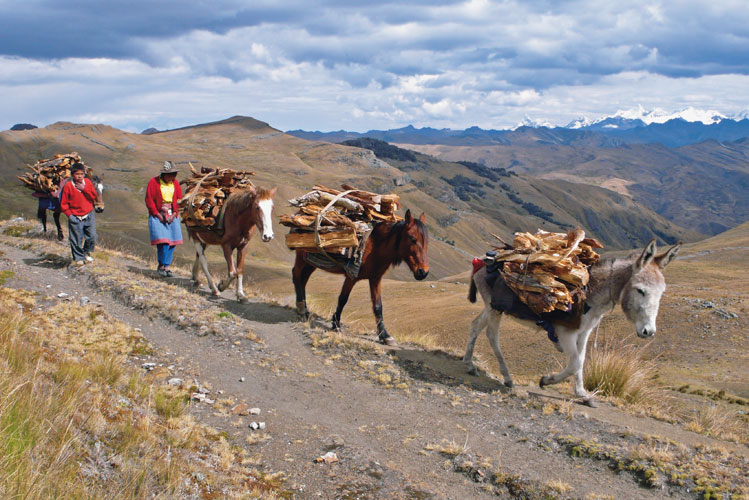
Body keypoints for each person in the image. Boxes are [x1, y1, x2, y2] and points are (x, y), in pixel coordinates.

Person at [145, 161, 183, 277]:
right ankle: (161, 265)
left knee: (173, 242)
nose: (172, 177)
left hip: (172, 215)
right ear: (164, 174)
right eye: (170, 174)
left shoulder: (175, 184)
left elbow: (178, 200)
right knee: (163, 242)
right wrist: (157, 214)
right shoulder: (154, 182)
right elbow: (149, 199)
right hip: (158, 215)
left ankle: (166, 266)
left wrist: (174, 213)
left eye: (174, 174)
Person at [60, 163, 98, 267]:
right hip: (75, 216)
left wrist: (84, 189)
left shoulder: (88, 183)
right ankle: (78, 258)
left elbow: (94, 195)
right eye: (77, 174)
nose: (80, 176)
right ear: (73, 175)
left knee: (92, 236)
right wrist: (70, 215)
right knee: (76, 239)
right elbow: (63, 203)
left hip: (88, 214)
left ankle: (86, 252)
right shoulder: (68, 186)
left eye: (82, 174)